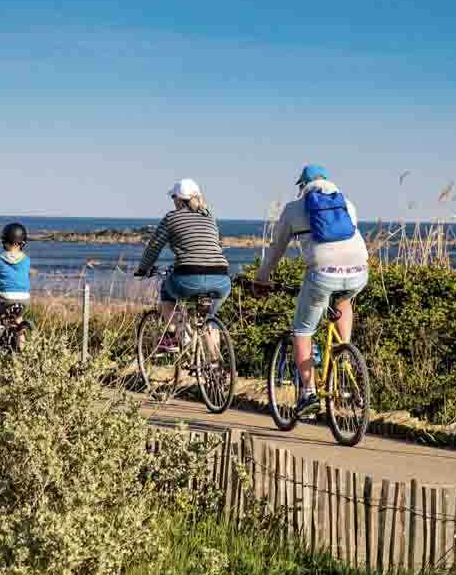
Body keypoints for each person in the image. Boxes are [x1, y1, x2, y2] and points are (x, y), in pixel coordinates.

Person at [253, 165, 369, 416]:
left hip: (322, 274)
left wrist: (262, 278)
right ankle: (343, 354)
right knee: (343, 299)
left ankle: (308, 393)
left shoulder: (294, 209)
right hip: (359, 271)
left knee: (302, 331)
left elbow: (276, 249)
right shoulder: (347, 204)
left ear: (302, 185)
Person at [135, 179, 231, 351]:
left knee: (166, 288)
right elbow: (218, 245)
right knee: (209, 318)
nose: (172, 201)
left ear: (179, 199)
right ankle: (217, 367)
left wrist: (143, 269)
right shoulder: (209, 216)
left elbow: (154, 246)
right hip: (221, 279)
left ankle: (171, 337)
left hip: (189, 278)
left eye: (173, 197)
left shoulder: (171, 217)